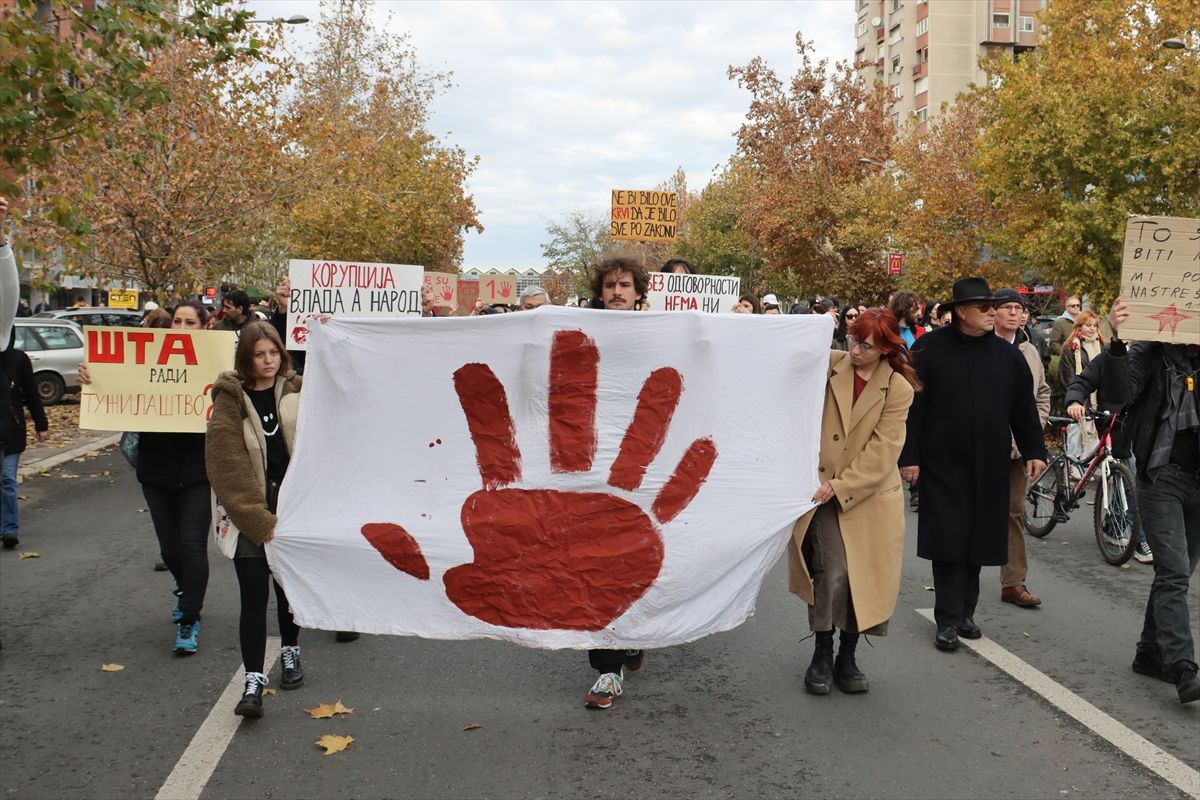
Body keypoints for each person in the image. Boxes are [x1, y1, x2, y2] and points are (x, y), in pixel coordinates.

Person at [899, 277, 1047, 652]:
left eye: (992, 306)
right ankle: (946, 619)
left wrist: (1035, 451)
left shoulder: (1007, 355)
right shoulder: (930, 349)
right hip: (943, 461)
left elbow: (1023, 409)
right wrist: (910, 456)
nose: (992, 312)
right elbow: (913, 407)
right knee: (949, 540)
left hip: (991, 462)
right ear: (960, 312)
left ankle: (966, 613)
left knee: (980, 540)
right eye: (984, 307)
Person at [788, 308, 918, 695]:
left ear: (885, 349)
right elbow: (785, 354)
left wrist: (843, 484)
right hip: (822, 493)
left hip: (870, 496)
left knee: (864, 578)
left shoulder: (898, 389)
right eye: (851, 339)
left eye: (866, 344)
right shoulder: (828, 366)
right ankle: (822, 652)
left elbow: (884, 451)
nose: (855, 349)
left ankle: (849, 654)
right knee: (832, 572)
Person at [78, 299, 213, 652]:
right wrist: (95, 379)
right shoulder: (149, 359)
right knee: (170, 550)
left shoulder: (218, 365)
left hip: (199, 470)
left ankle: (189, 618)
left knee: (192, 546)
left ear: (204, 328)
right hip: (155, 470)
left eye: (190, 323)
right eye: (177, 323)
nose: (181, 329)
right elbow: (119, 389)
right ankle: (187, 590)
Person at [1100, 299, 1199, 705]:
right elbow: (1119, 393)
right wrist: (1119, 343)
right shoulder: (1151, 351)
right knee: (1174, 572)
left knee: (1176, 574)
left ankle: (1149, 653)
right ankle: (1184, 668)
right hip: (1162, 479)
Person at [207, 321, 306, 717]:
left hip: (294, 511)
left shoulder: (299, 391)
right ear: (246, 359)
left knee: (288, 592)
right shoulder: (230, 400)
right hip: (251, 516)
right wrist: (259, 521)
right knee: (253, 598)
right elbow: (225, 465)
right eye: (260, 354)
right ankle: (253, 680)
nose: (269, 361)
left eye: (274, 353)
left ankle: (290, 653)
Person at [581, 257, 651, 709]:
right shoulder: (578, 325)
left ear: (638, 291)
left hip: (643, 463)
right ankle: (606, 669)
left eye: (625, 284)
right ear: (601, 291)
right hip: (587, 464)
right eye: (610, 285)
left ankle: (634, 636)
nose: (617, 291)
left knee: (631, 558)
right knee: (591, 564)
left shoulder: (660, 331)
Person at [992, 288, 1051, 609]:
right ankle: (960, 581)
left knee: (1013, 513)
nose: (1015, 313)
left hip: (1016, 449)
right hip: (981, 446)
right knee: (973, 512)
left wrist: (1033, 429)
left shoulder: (1029, 351)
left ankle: (1013, 582)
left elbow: (1042, 393)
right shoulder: (980, 346)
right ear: (994, 312)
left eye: (1019, 308)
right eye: (1008, 308)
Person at [2, 338, 48, 549]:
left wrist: (41, 423)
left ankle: (10, 529)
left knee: (7, 479)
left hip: (12, 431)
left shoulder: (19, 359)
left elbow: (31, 394)